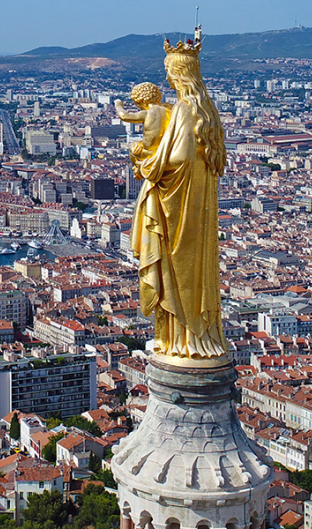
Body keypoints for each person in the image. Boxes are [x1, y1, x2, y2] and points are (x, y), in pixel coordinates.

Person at [130, 39, 228, 361]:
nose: (168, 80)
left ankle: (181, 340)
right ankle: (200, 335)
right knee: (199, 274)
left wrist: (148, 164)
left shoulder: (184, 111)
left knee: (178, 275)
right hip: (198, 206)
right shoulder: (207, 112)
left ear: (180, 74)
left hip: (179, 209)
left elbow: (181, 159)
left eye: (170, 73)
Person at [114, 82, 171, 168]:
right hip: (166, 149)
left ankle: (139, 167)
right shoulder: (168, 110)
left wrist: (118, 105)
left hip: (149, 152)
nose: (139, 108)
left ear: (142, 101)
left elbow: (124, 116)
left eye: (138, 105)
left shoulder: (147, 113)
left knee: (132, 148)